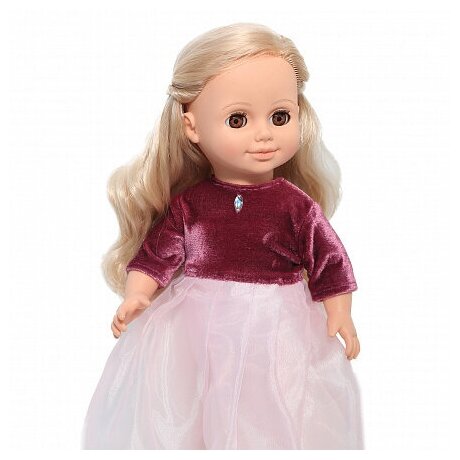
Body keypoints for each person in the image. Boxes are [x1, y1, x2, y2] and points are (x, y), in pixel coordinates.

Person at [81, 22, 364, 449]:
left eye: (280, 117)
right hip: (194, 324)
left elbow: (329, 260)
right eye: (238, 119)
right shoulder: (191, 204)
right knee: (190, 401)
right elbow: (157, 255)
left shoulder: (295, 205)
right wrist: (137, 294)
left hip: (277, 324)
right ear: (191, 126)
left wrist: (339, 312)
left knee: (271, 407)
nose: (264, 133)